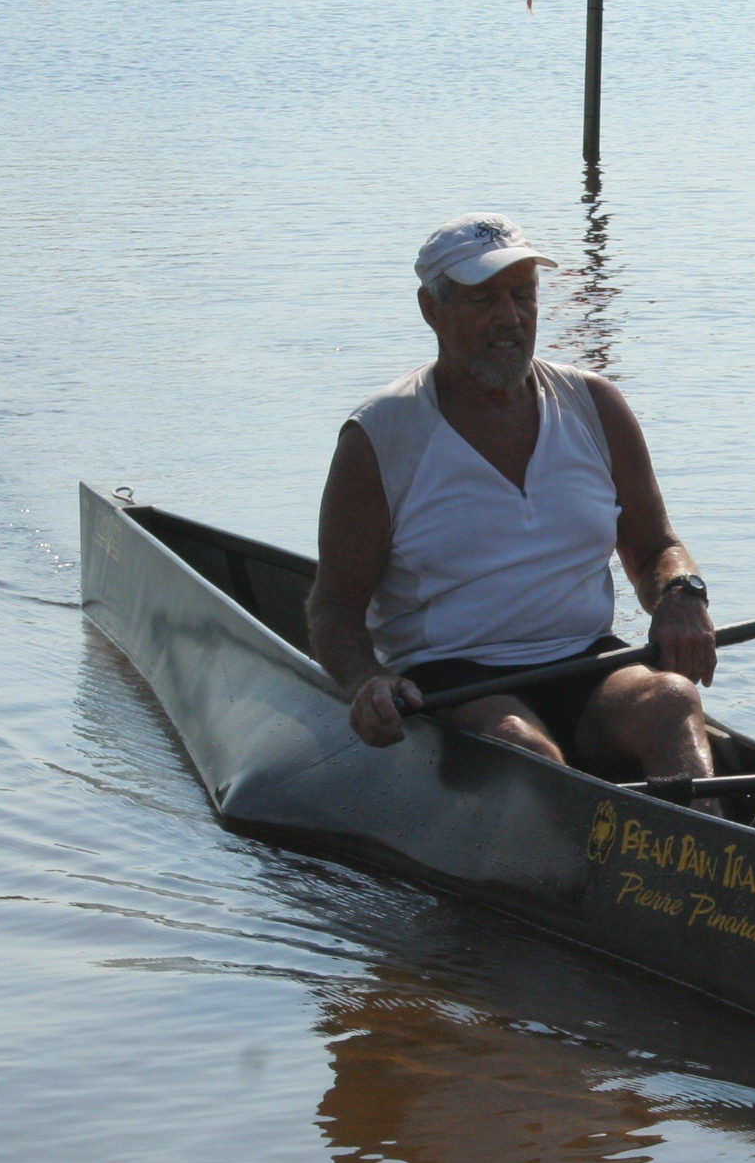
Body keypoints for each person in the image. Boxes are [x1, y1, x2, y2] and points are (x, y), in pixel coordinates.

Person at [306, 213, 717, 784]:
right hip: (451, 678)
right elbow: (334, 610)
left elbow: (655, 550)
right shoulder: (380, 437)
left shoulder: (594, 405)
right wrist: (365, 682)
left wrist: (682, 594)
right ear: (431, 310)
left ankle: (706, 849)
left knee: (672, 699)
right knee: (519, 746)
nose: (510, 319)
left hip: (589, 661)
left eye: (523, 295)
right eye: (484, 301)